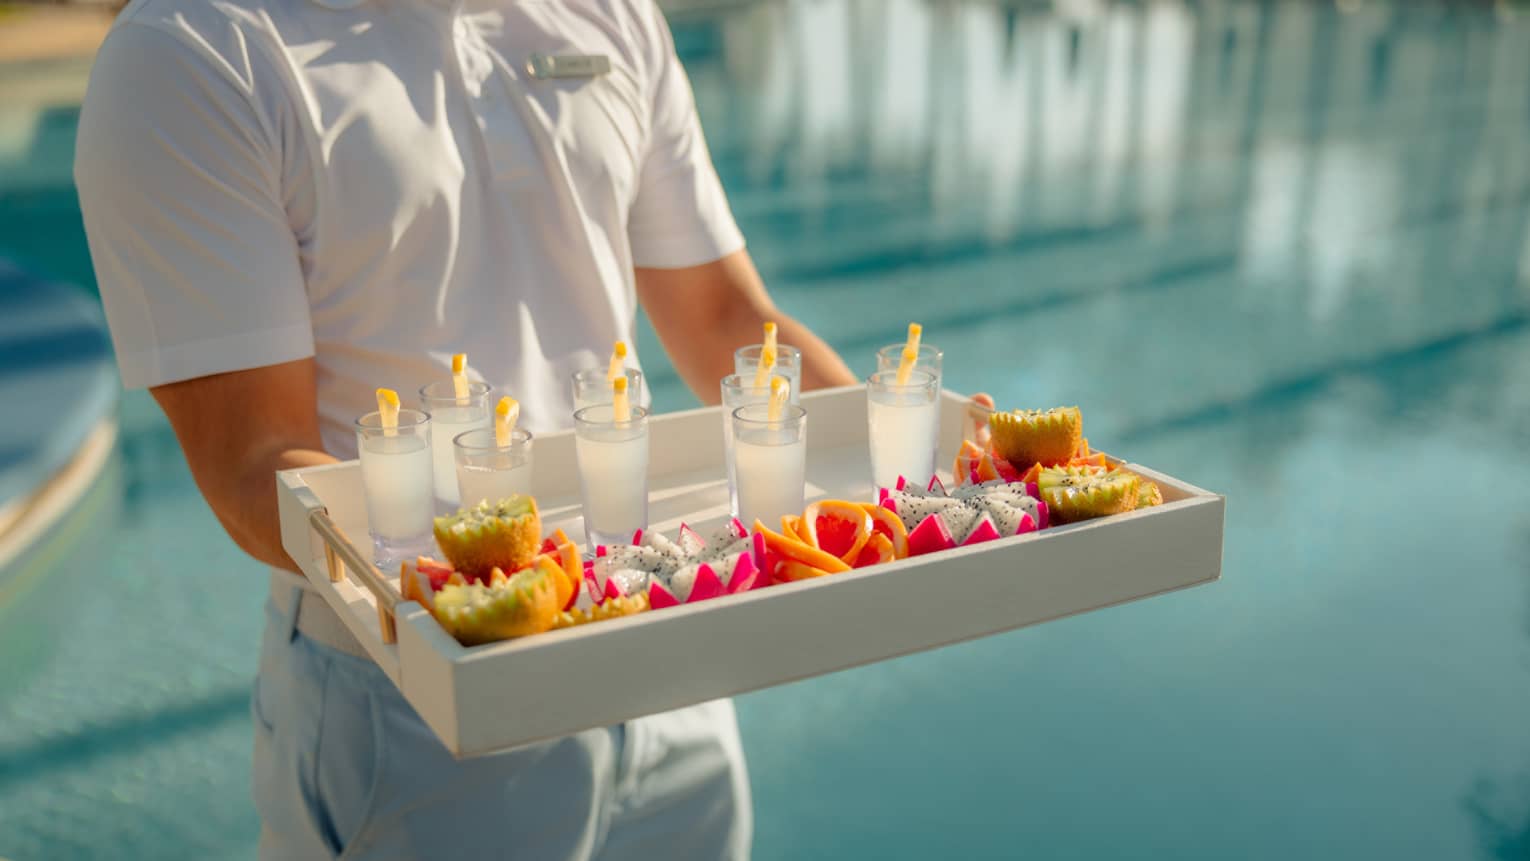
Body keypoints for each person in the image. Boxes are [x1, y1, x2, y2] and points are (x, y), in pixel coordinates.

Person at [73, 0, 857, 856]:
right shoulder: (195, 52)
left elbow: (725, 317)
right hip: (412, 703)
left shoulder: (612, 15)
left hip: (662, 651)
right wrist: (489, 595)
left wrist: (932, 480)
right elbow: (251, 460)